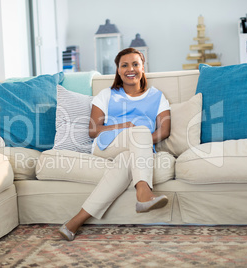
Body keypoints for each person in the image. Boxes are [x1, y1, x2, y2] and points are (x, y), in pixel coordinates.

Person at [59, 48, 171, 241]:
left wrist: (139, 142)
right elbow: (93, 130)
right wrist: (125, 127)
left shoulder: (157, 96)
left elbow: (164, 130)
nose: (130, 69)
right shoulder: (107, 95)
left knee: (128, 157)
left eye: (135, 64)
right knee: (140, 130)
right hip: (106, 144)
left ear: (143, 67)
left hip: (137, 149)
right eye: (124, 65)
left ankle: (74, 223)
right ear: (118, 71)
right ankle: (143, 191)